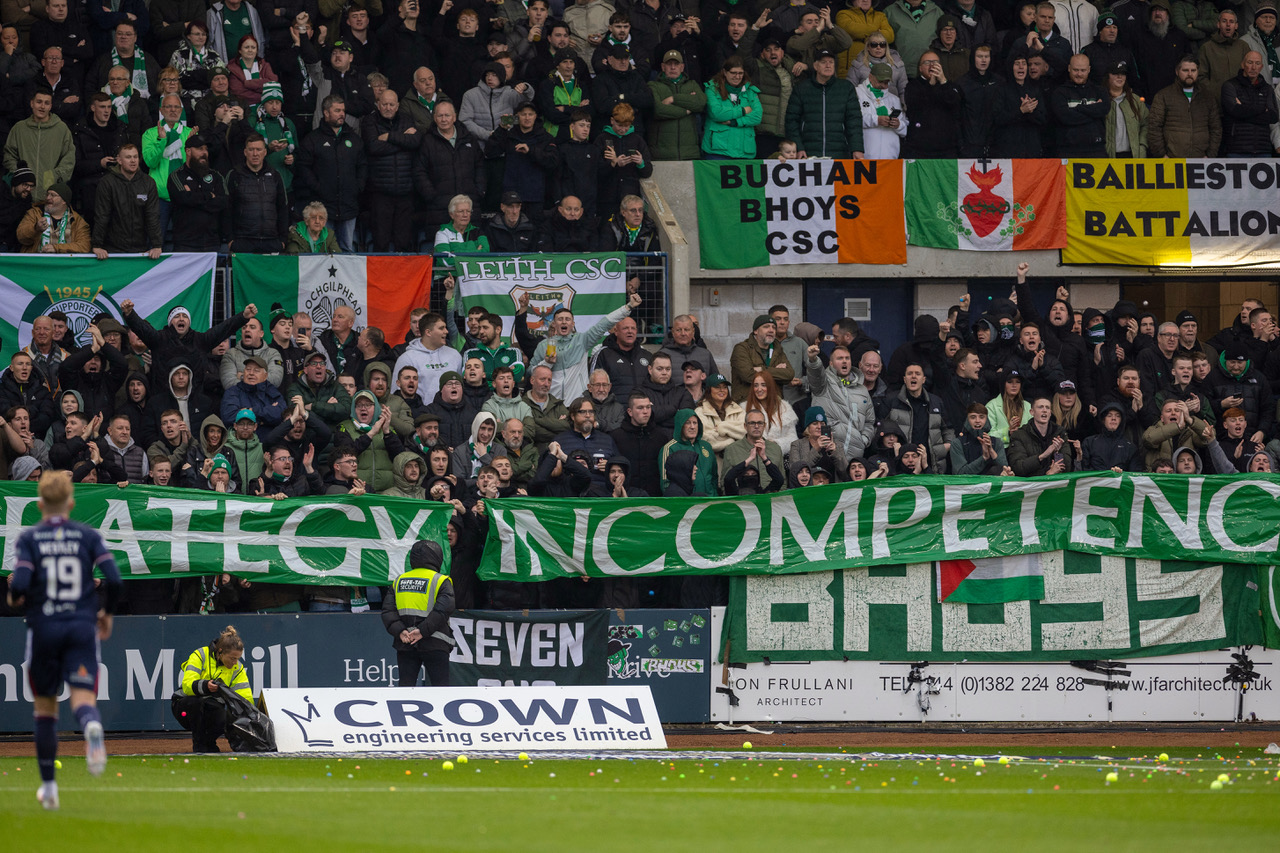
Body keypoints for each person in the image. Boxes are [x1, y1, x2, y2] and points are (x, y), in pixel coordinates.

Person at [7, 471, 121, 809]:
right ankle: (91, 727)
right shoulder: (87, 536)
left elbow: (20, 582)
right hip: (81, 626)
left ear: (40, 503)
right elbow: (114, 579)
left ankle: (50, 789)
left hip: (45, 628)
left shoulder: (30, 539)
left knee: (45, 709)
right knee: (83, 697)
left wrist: (16, 598)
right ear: (71, 503)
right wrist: (107, 614)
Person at [383, 540, 456, 687]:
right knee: (441, 690)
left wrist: (401, 631)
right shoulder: (441, 580)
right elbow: (444, 609)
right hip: (436, 642)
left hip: (406, 642)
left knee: (405, 688)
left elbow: (388, 611)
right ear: (437, 557)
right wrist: (422, 631)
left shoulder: (398, 581)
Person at [173, 625, 252, 753]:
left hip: (211, 706)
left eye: (238, 659)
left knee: (224, 719)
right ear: (220, 651)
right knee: (195, 703)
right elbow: (187, 685)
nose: (235, 663)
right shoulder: (200, 655)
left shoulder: (237, 668)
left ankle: (209, 743)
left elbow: (244, 697)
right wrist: (205, 686)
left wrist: (250, 716)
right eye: (232, 658)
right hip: (184, 706)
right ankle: (199, 745)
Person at [785, 48, 864, 158]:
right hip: (808, 153)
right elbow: (791, 121)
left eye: (831, 62)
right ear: (815, 66)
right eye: (823, 62)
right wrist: (798, 147)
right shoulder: (801, 88)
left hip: (839, 152)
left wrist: (857, 148)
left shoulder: (846, 88)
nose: (828, 65)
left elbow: (854, 121)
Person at [92, 143, 162, 258]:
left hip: (140, 247)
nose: (133, 161)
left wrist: (157, 245)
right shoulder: (107, 182)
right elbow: (102, 215)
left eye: (135, 157)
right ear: (119, 160)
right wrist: (97, 245)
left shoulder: (149, 182)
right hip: (113, 248)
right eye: (128, 157)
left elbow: (152, 216)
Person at [4, 88, 75, 202]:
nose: (42, 106)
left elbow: (69, 158)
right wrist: (20, 174)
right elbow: (9, 155)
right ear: (32, 103)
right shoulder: (19, 128)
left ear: (51, 106)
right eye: (39, 102)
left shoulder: (61, 129)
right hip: (23, 197)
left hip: (49, 196)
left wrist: (53, 176)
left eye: (46, 103)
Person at [1148, 55, 1221, 156]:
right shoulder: (1163, 96)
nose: (1190, 74)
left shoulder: (1207, 97)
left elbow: (1216, 128)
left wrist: (1209, 155)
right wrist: (1162, 155)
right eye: (1185, 70)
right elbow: (1154, 127)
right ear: (1177, 72)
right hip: (1172, 160)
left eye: (1193, 70)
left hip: (1201, 160)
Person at [901, 50, 963, 157]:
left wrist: (943, 81)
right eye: (927, 62)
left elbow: (956, 104)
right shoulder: (912, 86)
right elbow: (917, 106)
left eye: (935, 62)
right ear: (920, 68)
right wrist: (931, 85)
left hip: (947, 149)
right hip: (919, 149)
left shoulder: (950, 86)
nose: (932, 65)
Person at [648, 49, 706, 160]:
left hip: (689, 153)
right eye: (669, 64)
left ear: (682, 67)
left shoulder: (692, 84)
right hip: (662, 154)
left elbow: (701, 103)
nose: (673, 67)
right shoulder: (653, 85)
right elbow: (658, 110)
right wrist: (686, 110)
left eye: (676, 64)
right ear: (663, 67)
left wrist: (673, 99)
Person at [1219, 51, 1279, 157]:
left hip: (1263, 149)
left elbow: (1273, 116)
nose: (1253, 67)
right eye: (1250, 62)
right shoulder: (1230, 86)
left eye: (1257, 63)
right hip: (1237, 149)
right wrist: (1262, 109)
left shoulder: (1267, 88)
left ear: (1261, 67)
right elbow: (1234, 111)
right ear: (1243, 64)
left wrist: (1243, 110)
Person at [701, 55, 761, 159]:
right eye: (733, 73)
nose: (737, 77)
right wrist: (743, 110)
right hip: (718, 151)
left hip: (744, 152)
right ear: (724, 72)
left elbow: (757, 116)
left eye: (740, 73)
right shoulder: (712, 89)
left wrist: (734, 122)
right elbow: (717, 113)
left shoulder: (750, 90)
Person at [1051, 53, 1109, 155]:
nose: (1079, 74)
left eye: (1083, 70)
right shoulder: (1059, 92)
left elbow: (1105, 108)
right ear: (1069, 68)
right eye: (1075, 70)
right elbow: (1065, 117)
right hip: (1068, 150)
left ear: (1089, 69)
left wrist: (1078, 108)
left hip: (1096, 149)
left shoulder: (1099, 91)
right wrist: (1093, 112)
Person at [17, 180, 90, 253]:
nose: (48, 198)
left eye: (53, 195)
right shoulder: (35, 213)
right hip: (37, 263)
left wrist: (56, 248)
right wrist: (36, 229)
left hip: (64, 263)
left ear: (64, 201)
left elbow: (84, 246)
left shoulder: (77, 220)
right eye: (47, 194)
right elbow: (21, 237)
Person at [856, 62, 907, 158]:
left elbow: (905, 129)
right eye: (880, 81)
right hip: (865, 157)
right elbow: (852, 121)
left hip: (890, 158)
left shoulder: (894, 99)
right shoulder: (857, 93)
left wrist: (898, 125)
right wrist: (876, 120)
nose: (884, 86)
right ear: (870, 77)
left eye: (886, 82)